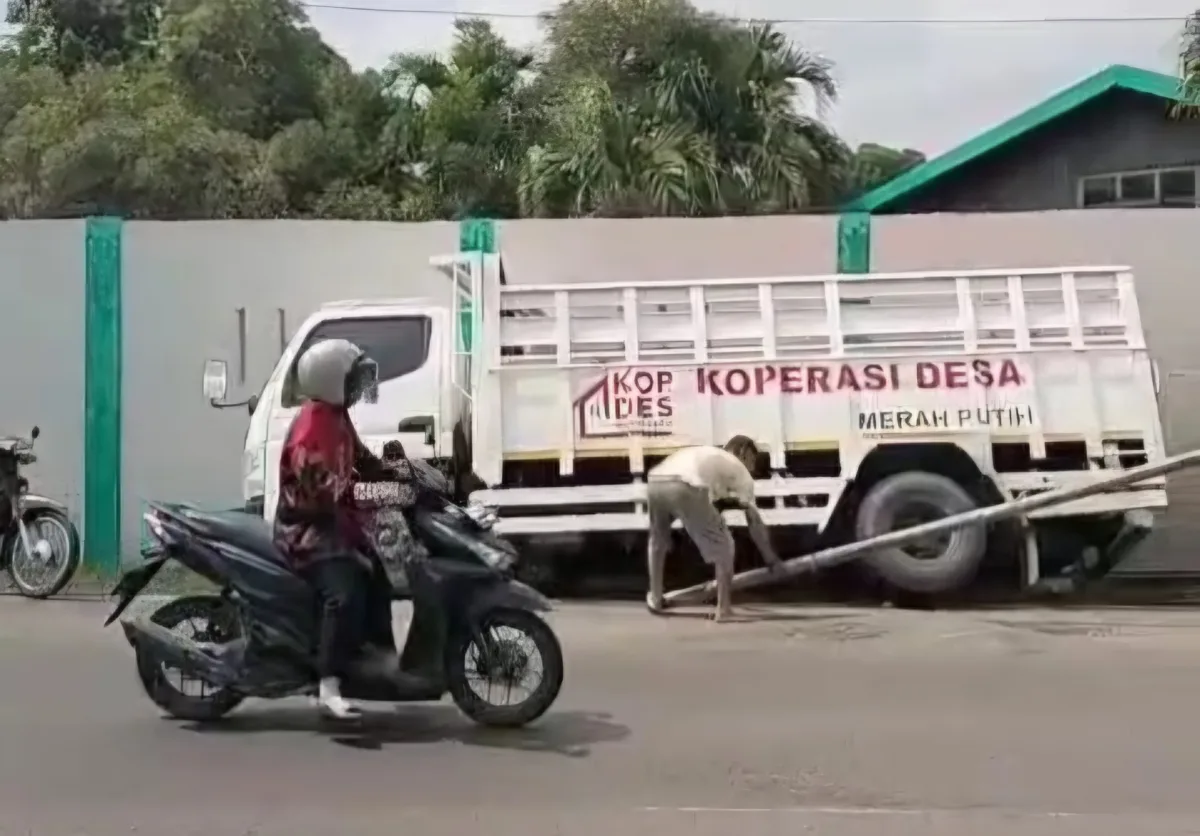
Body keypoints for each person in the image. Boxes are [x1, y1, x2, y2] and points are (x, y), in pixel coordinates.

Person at [272, 337, 420, 719]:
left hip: (334, 524)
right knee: (344, 591)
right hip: (306, 532)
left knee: (383, 570)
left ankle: (374, 656)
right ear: (330, 381)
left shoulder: (336, 417)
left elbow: (364, 460)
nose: (358, 389)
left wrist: (407, 475)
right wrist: (375, 492)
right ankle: (328, 684)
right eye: (352, 381)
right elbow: (323, 495)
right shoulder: (309, 431)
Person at [644, 436, 782, 622]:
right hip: (686, 484)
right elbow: (754, 521)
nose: (752, 468)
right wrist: (770, 558)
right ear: (744, 454)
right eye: (752, 461)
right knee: (725, 546)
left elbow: (713, 505)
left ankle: (656, 597)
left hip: (656, 482)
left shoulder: (712, 456)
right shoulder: (741, 471)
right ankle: (724, 610)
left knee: (658, 540)